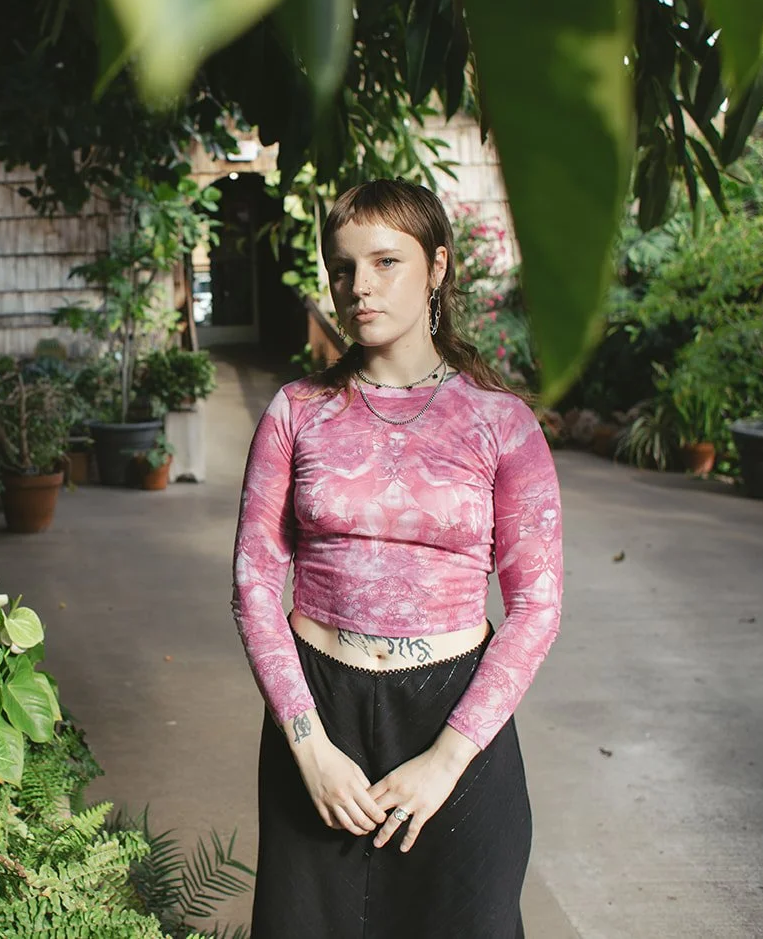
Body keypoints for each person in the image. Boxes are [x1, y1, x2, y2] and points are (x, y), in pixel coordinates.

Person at [232, 179, 564, 937]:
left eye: (386, 262)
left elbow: (537, 604)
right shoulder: (297, 411)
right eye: (343, 267)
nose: (359, 287)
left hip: (455, 714)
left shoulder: (500, 423)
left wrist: (448, 757)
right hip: (320, 706)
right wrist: (309, 746)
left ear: (437, 266)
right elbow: (254, 583)